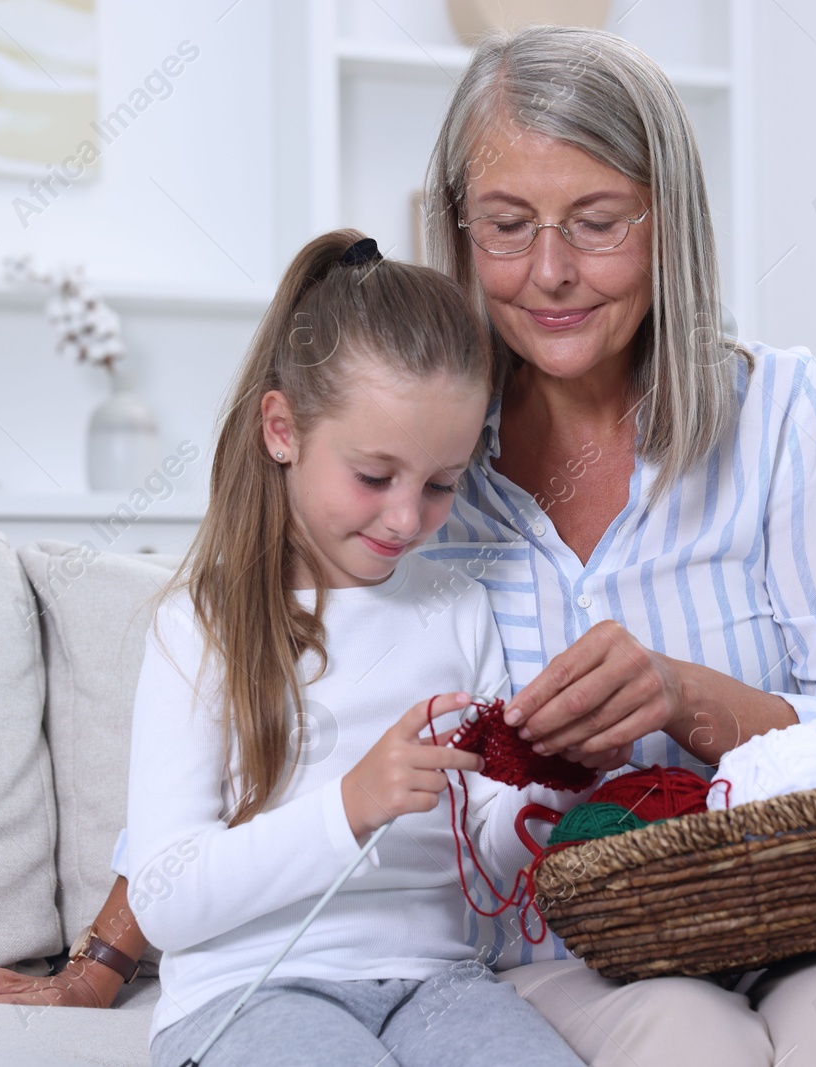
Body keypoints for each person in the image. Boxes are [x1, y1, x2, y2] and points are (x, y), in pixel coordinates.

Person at [0, 26, 816, 1067]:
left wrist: (682, 698)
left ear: (670, 222)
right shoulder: (419, 446)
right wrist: (96, 967)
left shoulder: (779, 415)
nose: (549, 271)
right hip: (595, 950)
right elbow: (262, 707)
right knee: (686, 1041)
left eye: (598, 221)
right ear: (459, 225)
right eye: (508, 224)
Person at [139, 230, 607, 1065]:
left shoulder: (460, 609)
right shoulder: (200, 625)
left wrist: (552, 776)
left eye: (440, 484)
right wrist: (349, 805)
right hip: (247, 992)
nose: (404, 519)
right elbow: (164, 900)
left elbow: (489, 863)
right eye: (373, 475)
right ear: (282, 430)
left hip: (437, 981)